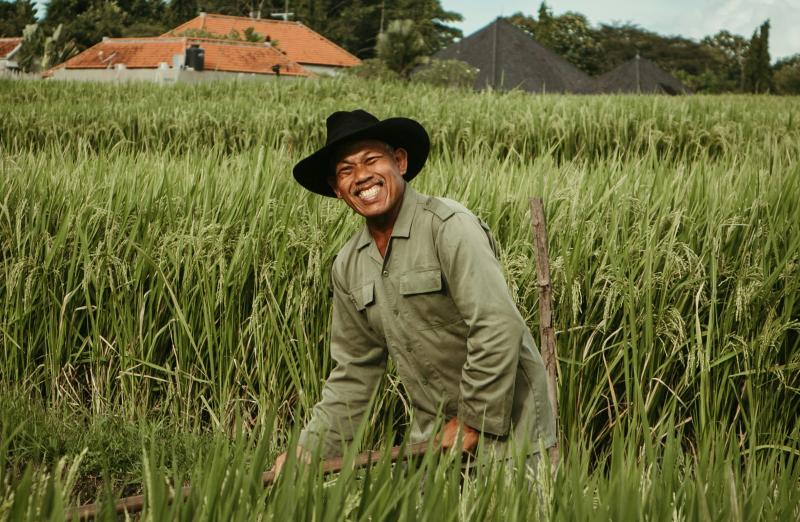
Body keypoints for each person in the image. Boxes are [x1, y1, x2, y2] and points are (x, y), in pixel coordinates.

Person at [272, 109, 555, 474]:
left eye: (371, 160)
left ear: (400, 162)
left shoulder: (448, 227)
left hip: (512, 436)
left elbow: (497, 324)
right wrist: (310, 449)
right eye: (346, 170)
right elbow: (355, 371)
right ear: (337, 189)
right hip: (433, 440)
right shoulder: (349, 265)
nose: (361, 176)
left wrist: (474, 419)